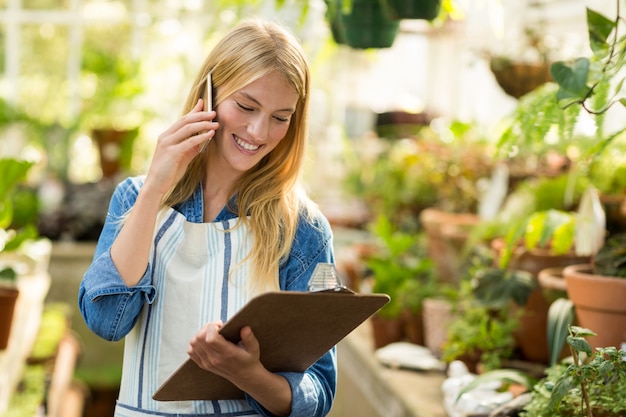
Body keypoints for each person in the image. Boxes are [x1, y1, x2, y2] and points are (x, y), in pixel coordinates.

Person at [79, 19, 337, 417]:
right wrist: (154, 191)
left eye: (280, 117)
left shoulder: (302, 227)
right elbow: (106, 322)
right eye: (246, 106)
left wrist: (249, 375)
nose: (258, 130)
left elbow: (318, 391)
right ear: (209, 93)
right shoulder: (136, 197)